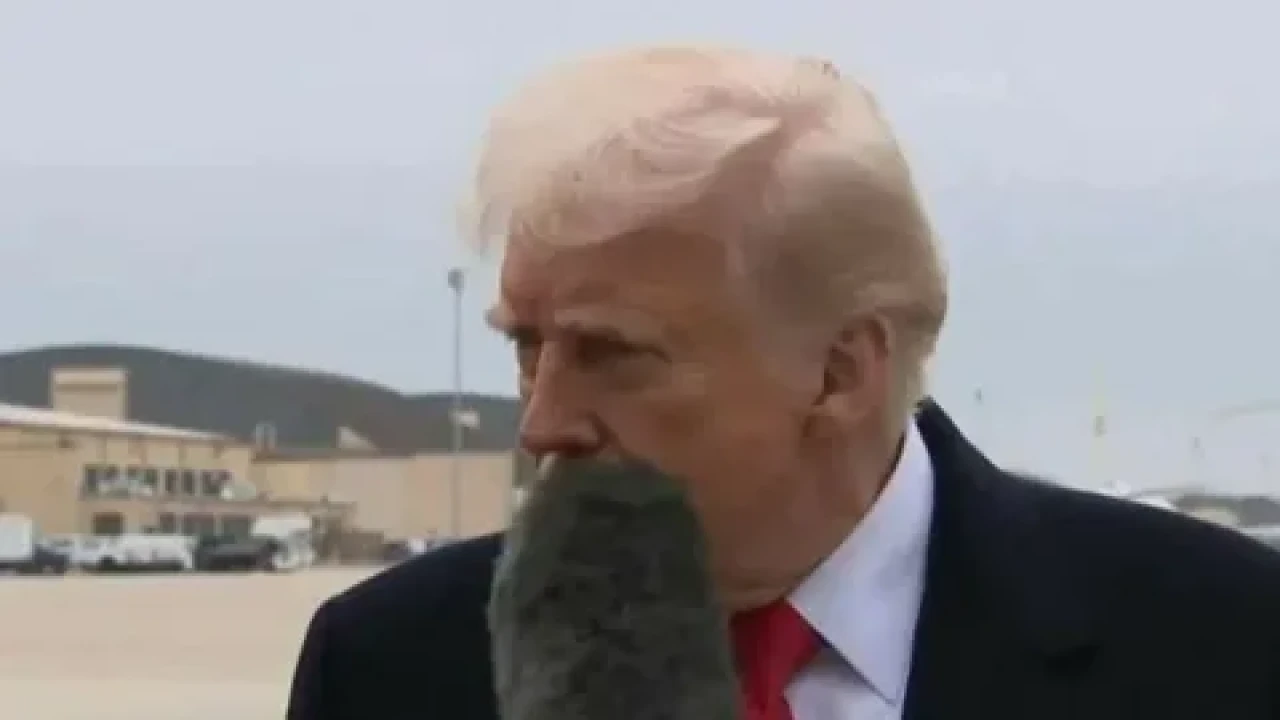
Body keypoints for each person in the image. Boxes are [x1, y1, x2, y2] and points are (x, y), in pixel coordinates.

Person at [287, 45, 1280, 720]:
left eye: (611, 354)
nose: (542, 424)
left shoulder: (1223, 644)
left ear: (840, 371)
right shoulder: (393, 667)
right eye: (526, 347)